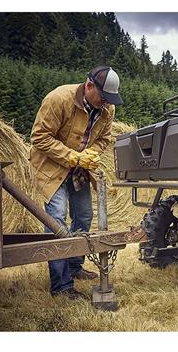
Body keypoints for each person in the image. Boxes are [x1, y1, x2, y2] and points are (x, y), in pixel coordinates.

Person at [30, 66, 123, 299]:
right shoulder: (58, 99)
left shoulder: (107, 110)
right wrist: (72, 156)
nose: (105, 103)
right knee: (57, 219)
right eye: (103, 97)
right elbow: (39, 137)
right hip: (53, 167)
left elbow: (105, 138)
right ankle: (61, 286)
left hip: (80, 169)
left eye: (109, 99)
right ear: (89, 85)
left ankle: (74, 265)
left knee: (83, 216)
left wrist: (92, 153)